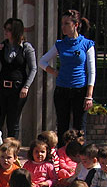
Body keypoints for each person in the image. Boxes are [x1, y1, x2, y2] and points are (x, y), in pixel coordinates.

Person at [39, 9, 96, 143]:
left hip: (79, 90)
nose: (63, 26)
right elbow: (42, 61)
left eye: (66, 23)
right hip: (62, 90)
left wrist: (89, 95)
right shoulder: (60, 44)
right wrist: (55, 72)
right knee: (62, 125)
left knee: (79, 127)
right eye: (62, 23)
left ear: (75, 25)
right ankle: (62, 156)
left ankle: (79, 156)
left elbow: (92, 71)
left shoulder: (86, 44)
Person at [0, 18, 37, 138]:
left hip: (17, 89)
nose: (6, 32)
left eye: (9, 29)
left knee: (13, 122)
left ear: (16, 31)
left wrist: (26, 86)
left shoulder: (26, 47)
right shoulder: (3, 46)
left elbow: (33, 68)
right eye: (5, 29)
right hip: (1, 88)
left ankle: (12, 151)